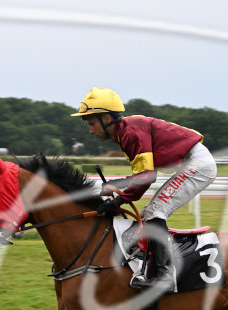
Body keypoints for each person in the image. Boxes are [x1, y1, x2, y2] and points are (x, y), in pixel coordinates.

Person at [71, 87, 217, 292]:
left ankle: (165, 276)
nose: (91, 131)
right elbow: (144, 174)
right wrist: (117, 185)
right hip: (193, 163)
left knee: (155, 213)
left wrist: (116, 202)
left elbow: (146, 177)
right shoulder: (126, 132)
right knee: (150, 213)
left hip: (197, 165)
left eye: (91, 123)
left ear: (106, 118)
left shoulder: (130, 132)